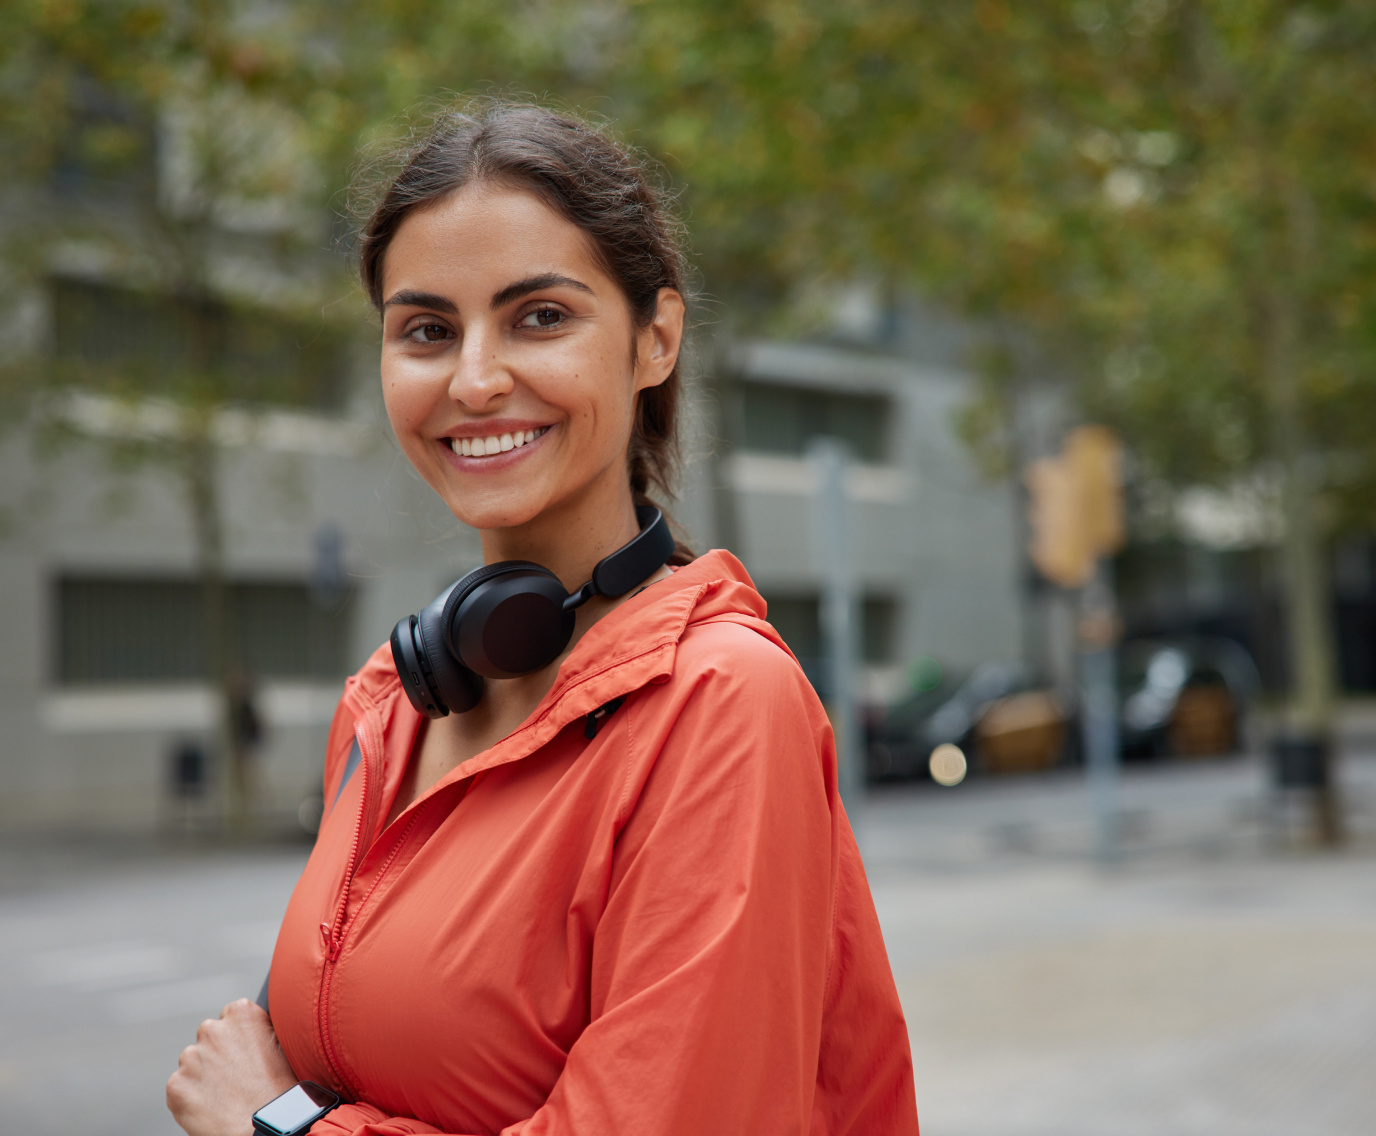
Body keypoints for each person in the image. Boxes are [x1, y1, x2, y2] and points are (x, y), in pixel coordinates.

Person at [166, 100, 919, 1136]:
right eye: (427, 329)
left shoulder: (720, 704)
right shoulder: (388, 706)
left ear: (653, 338)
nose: (475, 380)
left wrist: (281, 1123)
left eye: (540, 317)